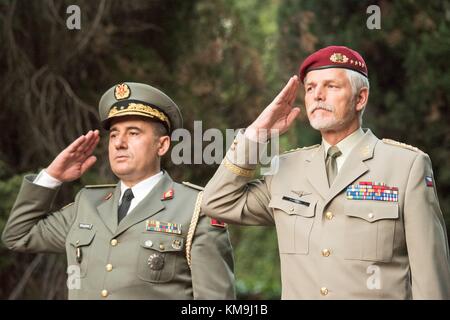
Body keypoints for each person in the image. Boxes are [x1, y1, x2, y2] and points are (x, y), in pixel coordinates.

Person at [202, 45, 450, 299]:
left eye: (331, 86)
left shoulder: (406, 167)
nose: (317, 95)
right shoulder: (285, 170)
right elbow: (217, 202)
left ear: (360, 98)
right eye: (310, 88)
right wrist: (256, 136)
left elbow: (430, 280)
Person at [2, 82, 235, 299]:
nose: (119, 142)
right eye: (114, 134)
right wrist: (52, 176)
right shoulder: (87, 203)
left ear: (162, 145)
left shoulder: (196, 207)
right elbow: (18, 236)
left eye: (133, 133)